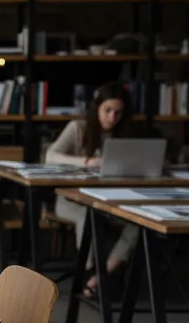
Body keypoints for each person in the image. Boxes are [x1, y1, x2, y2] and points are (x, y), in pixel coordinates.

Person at [47, 82, 138, 296]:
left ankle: (102, 274)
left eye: (118, 112)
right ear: (97, 108)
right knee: (88, 216)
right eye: (107, 110)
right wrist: (85, 161)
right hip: (72, 200)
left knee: (139, 222)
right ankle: (88, 271)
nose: (112, 117)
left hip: (109, 200)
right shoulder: (78, 128)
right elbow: (50, 156)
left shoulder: (124, 134)